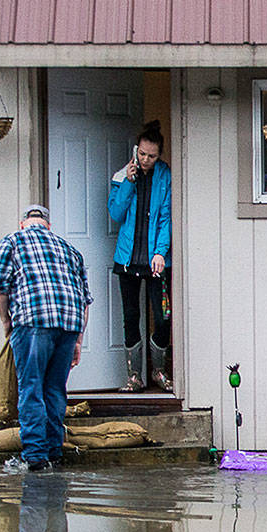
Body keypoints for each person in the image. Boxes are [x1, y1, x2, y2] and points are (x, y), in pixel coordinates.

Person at [0, 204, 92, 471]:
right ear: (48, 225)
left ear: (23, 222)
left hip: (33, 322)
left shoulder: (12, 241)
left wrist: (6, 322)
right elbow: (85, 299)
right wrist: (78, 340)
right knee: (55, 389)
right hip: (69, 324)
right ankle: (54, 452)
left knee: (31, 387)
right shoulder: (69, 249)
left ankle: (35, 456)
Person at [108, 119, 173, 392]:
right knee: (131, 317)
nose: (146, 160)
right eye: (143, 154)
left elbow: (166, 217)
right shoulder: (122, 176)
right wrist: (129, 182)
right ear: (136, 151)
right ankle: (134, 376)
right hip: (127, 260)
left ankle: (158, 370)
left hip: (155, 262)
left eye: (152, 156)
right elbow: (116, 213)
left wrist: (160, 252)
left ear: (159, 155)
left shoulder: (164, 175)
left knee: (163, 317)